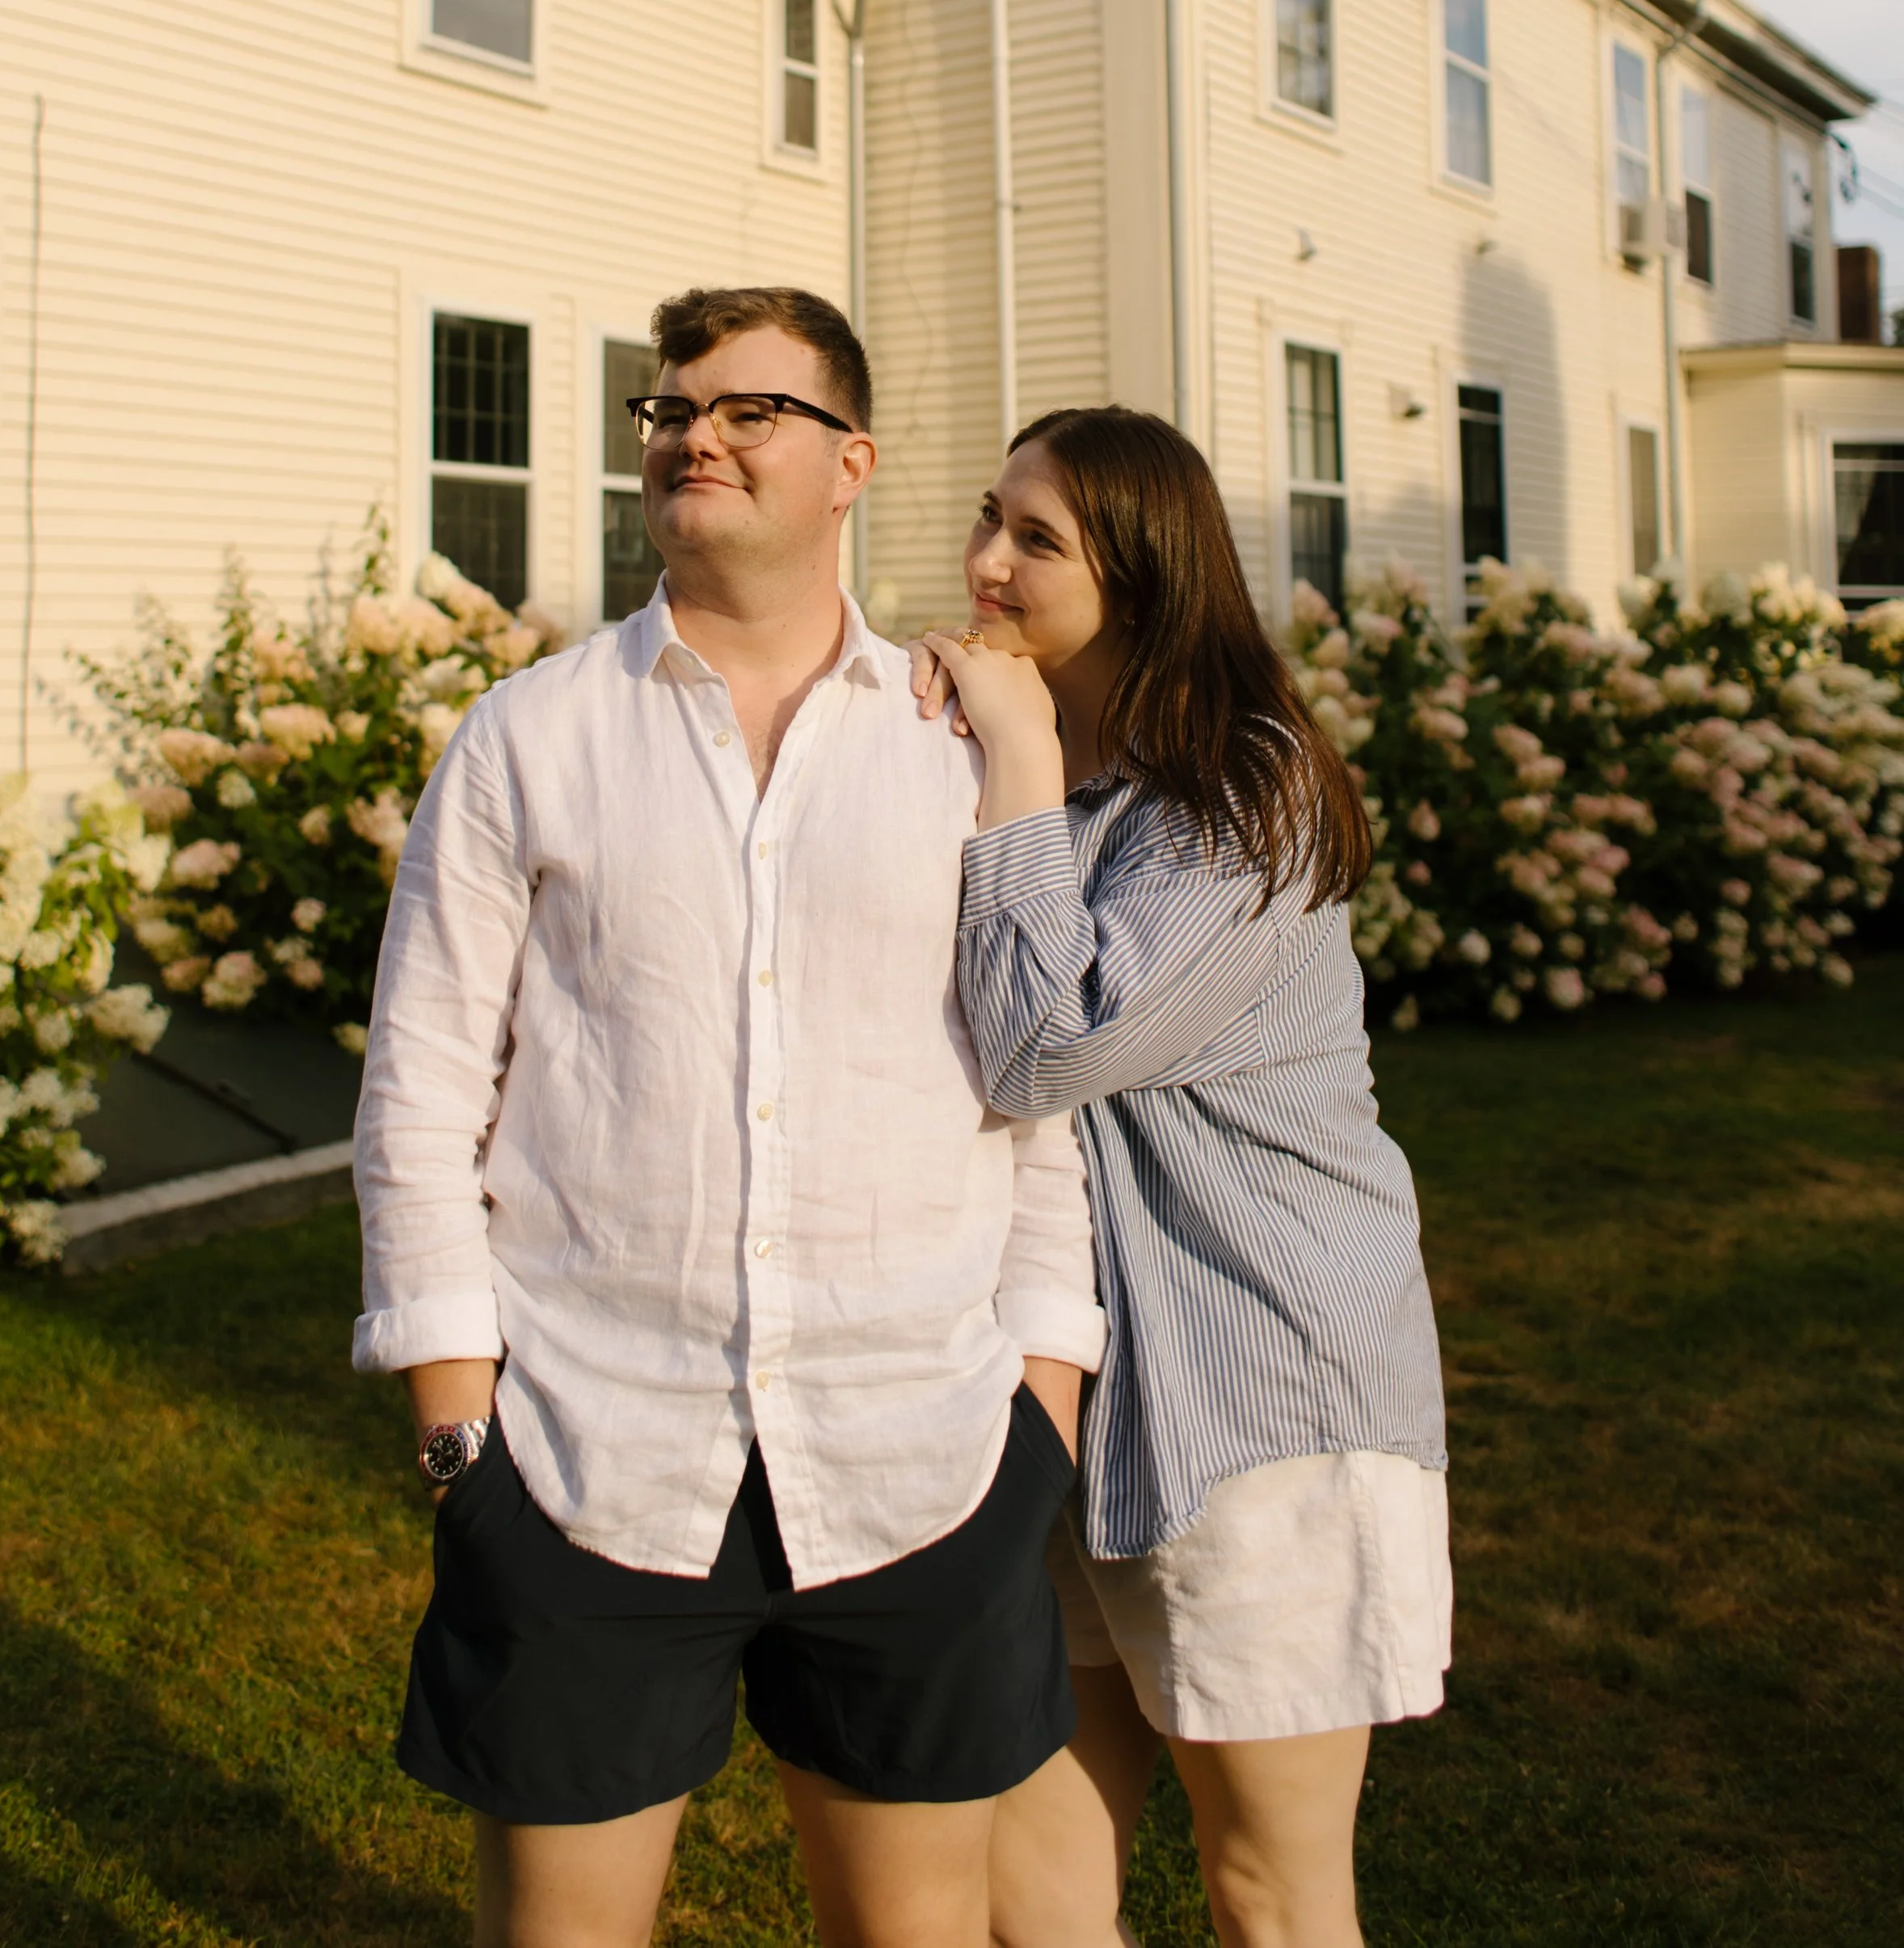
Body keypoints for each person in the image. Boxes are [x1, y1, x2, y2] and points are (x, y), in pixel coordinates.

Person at [352, 287, 1107, 1948]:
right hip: (586, 1459)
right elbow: (417, 1091)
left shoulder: (957, 748)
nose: (695, 431)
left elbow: (1031, 1091)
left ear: (852, 463)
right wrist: (457, 1429)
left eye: (750, 408)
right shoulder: (526, 739)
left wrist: (1037, 1407)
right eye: (673, 407)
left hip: (921, 1459)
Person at [912, 406, 1448, 1948]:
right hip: (1068, 1387)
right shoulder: (1021, 761)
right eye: (989, 516)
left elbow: (1045, 1049)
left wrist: (1012, 757)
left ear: (1140, 577)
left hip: (1256, 1392)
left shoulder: (1244, 791)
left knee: (1270, 1888)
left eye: (1038, 538)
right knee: (1029, 1878)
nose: (988, 562)